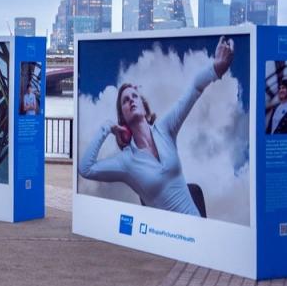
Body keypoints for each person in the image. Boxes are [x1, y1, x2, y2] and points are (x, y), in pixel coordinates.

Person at [78, 36, 235, 216]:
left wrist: (215, 69)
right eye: (125, 101)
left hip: (197, 230)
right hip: (167, 237)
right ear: (122, 117)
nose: (131, 101)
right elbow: (86, 169)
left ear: (145, 107)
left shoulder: (164, 129)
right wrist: (106, 127)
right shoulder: (126, 162)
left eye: (134, 97)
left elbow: (193, 89)